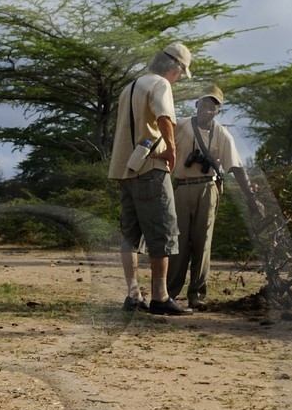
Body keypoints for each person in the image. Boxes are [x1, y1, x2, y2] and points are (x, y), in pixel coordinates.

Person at [108, 43, 192, 316]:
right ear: (174, 68)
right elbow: (164, 117)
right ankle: (160, 297)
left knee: (129, 236)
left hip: (125, 170)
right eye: (180, 74)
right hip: (150, 168)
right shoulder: (160, 84)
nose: (177, 79)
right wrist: (171, 149)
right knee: (163, 232)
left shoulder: (129, 87)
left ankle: (133, 296)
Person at [169, 86, 257, 311]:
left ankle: (197, 294)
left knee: (203, 242)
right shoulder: (180, 125)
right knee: (178, 241)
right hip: (181, 187)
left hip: (208, 188)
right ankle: (169, 293)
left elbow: (236, 167)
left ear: (218, 111)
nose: (207, 110)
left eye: (212, 107)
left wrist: (251, 198)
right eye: (204, 105)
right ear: (196, 105)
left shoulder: (222, 134)